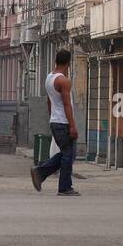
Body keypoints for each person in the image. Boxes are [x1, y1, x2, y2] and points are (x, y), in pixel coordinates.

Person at [30, 49, 80, 196]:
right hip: (63, 123)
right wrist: (72, 125)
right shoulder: (63, 81)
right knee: (67, 155)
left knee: (68, 154)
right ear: (68, 63)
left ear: (56, 61)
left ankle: (40, 173)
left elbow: (49, 101)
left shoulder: (49, 78)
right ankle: (64, 187)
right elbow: (67, 104)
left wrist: (51, 117)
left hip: (55, 121)